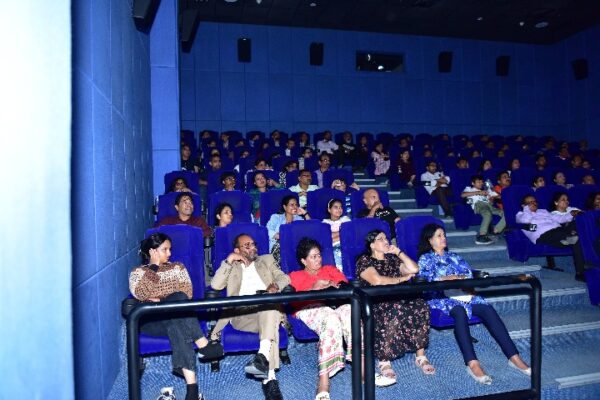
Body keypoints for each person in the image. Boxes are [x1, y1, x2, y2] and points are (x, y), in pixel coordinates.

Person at [417, 224, 531, 385]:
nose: (444, 238)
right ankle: (473, 364)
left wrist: (464, 280)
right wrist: (445, 279)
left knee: (487, 309)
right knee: (459, 311)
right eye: (439, 236)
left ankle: (514, 357)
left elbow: (468, 273)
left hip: (463, 294)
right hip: (441, 298)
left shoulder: (455, 256)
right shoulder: (425, 259)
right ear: (430, 240)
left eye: (444, 235)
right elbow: (424, 279)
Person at [289, 238, 396, 400]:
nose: (318, 259)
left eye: (319, 255)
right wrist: (313, 288)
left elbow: (346, 288)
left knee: (350, 311)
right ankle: (323, 382)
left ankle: (363, 371)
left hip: (334, 304)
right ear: (304, 261)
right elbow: (293, 300)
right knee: (330, 318)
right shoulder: (295, 276)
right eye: (313, 257)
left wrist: (334, 285)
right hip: (309, 307)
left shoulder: (330, 270)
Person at [130, 233, 223, 400]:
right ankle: (203, 343)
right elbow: (141, 294)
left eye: (170, 249)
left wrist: (160, 300)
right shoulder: (138, 272)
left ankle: (192, 389)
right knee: (177, 308)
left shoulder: (178, 267)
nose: (169, 253)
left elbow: (186, 294)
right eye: (164, 249)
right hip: (151, 321)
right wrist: (154, 267)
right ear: (152, 251)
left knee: (177, 321)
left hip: (175, 315)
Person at [210, 233, 290, 400]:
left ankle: (268, 374)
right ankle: (266, 366)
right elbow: (215, 285)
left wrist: (276, 286)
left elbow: (284, 277)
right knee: (272, 316)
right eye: (247, 245)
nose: (252, 247)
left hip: (267, 308)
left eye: (253, 244)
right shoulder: (232, 265)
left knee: (269, 304)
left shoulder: (266, 260)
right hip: (242, 313)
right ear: (237, 250)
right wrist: (229, 260)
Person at [356, 230, 434, 382]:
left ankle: (420, 356)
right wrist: (402, 279)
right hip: (376, 301)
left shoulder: (392, 259)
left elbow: (414, 269)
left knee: (421, 305)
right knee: (395, 308)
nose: (386, 241)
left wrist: (398, 252)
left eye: (386, 238)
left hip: (399, 297)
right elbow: (377, 281)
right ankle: (384, 360)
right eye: (381, 239)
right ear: (372, 245)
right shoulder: (364, 260)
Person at [516, 195, 586, 282]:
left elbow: (559, 219)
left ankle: (580, 273)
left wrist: (570, 214)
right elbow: (526, 220)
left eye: (534, 201)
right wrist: (527, 209)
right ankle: (567, 238)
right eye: (529, 202)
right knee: (559, 235)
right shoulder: (520, 215)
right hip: (543, 234)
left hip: (558, 230)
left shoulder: (543, 211)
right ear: (524, 206)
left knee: (574, 225)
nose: (533, 203)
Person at [461, 175, 505, 245]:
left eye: (482, 182)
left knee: (507, 214)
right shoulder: (469, 188)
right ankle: (482, 236)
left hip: (489, 206)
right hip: (479, 205)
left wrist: (492, 196)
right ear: (473, 183)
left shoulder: (486, 190)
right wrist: (478, 192)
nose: (481, 183)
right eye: (478, 182)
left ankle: (495, 231)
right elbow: (463, 195)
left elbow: (500, 197)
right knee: (487, 214)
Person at [266, 195, 310, 261]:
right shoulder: (276, 217)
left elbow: (310, 228)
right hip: (278, 248)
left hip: (294, 247)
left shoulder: (299, 219)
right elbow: (267, 230)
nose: (295, 207)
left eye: (296, 205)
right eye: (292, 205)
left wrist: (305, 213)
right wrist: (280, 236)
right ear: (285, 207)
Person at [322, 199, 351, 271]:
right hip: (331, 247)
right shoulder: (325, 222)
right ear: (329, 210)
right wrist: (341, 233)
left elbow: (349, 235)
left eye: (340, 207)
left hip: (345, 245)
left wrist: (333, 236)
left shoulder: (346, 219)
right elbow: (327, 238)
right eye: (336, 207)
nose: (339, 209)